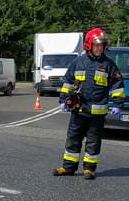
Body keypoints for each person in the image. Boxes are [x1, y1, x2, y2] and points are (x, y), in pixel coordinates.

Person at [53, 28, 125, 180]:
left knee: (93, 141)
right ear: (89, 45)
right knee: (73, 139)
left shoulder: (109, 65)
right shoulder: (78, 62)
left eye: (102, 45)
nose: (100, 48)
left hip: (97, 114)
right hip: (78, 110)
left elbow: (118, 85)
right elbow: (68, 82)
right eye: (97, 45)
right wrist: (63, 100)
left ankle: (89, 169)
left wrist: (117, 104)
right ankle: (68, 168)